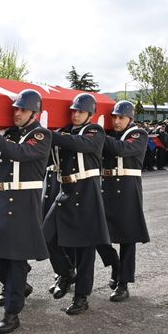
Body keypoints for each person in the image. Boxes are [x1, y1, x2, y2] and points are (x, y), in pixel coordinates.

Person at [0, 89, 51, 333]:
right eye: (15, 109)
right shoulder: (10, 135)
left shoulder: (41, 134)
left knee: (16, 258)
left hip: (23, 202)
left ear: (34, 112)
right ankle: (17, 286)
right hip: (0, 199)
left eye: (22, 109)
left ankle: (12, 312)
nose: (17, 113)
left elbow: (21, 154)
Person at [42, 93, 110, 315]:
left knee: (85, 249)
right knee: (46, 237)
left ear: (90, 114)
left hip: (86, 192)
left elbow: (77, 143)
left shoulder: (95, 131)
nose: (76, 114)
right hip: (65, 191)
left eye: (80, 111)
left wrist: (49, 133)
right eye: (73, 111)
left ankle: (82, 296)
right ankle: (66, 272)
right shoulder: (63, 133)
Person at [98, 101, 150, 301]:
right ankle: (116, 265)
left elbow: (122, 150)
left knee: (127, 238)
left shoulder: (139, 134)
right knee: (98, 234)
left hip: (127, 188)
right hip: (107, 187)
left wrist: (98, 133)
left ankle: (123, 283)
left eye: (121, 117)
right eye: (114, 117)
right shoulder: (110, 135)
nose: (117, 121)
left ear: (130, 118)